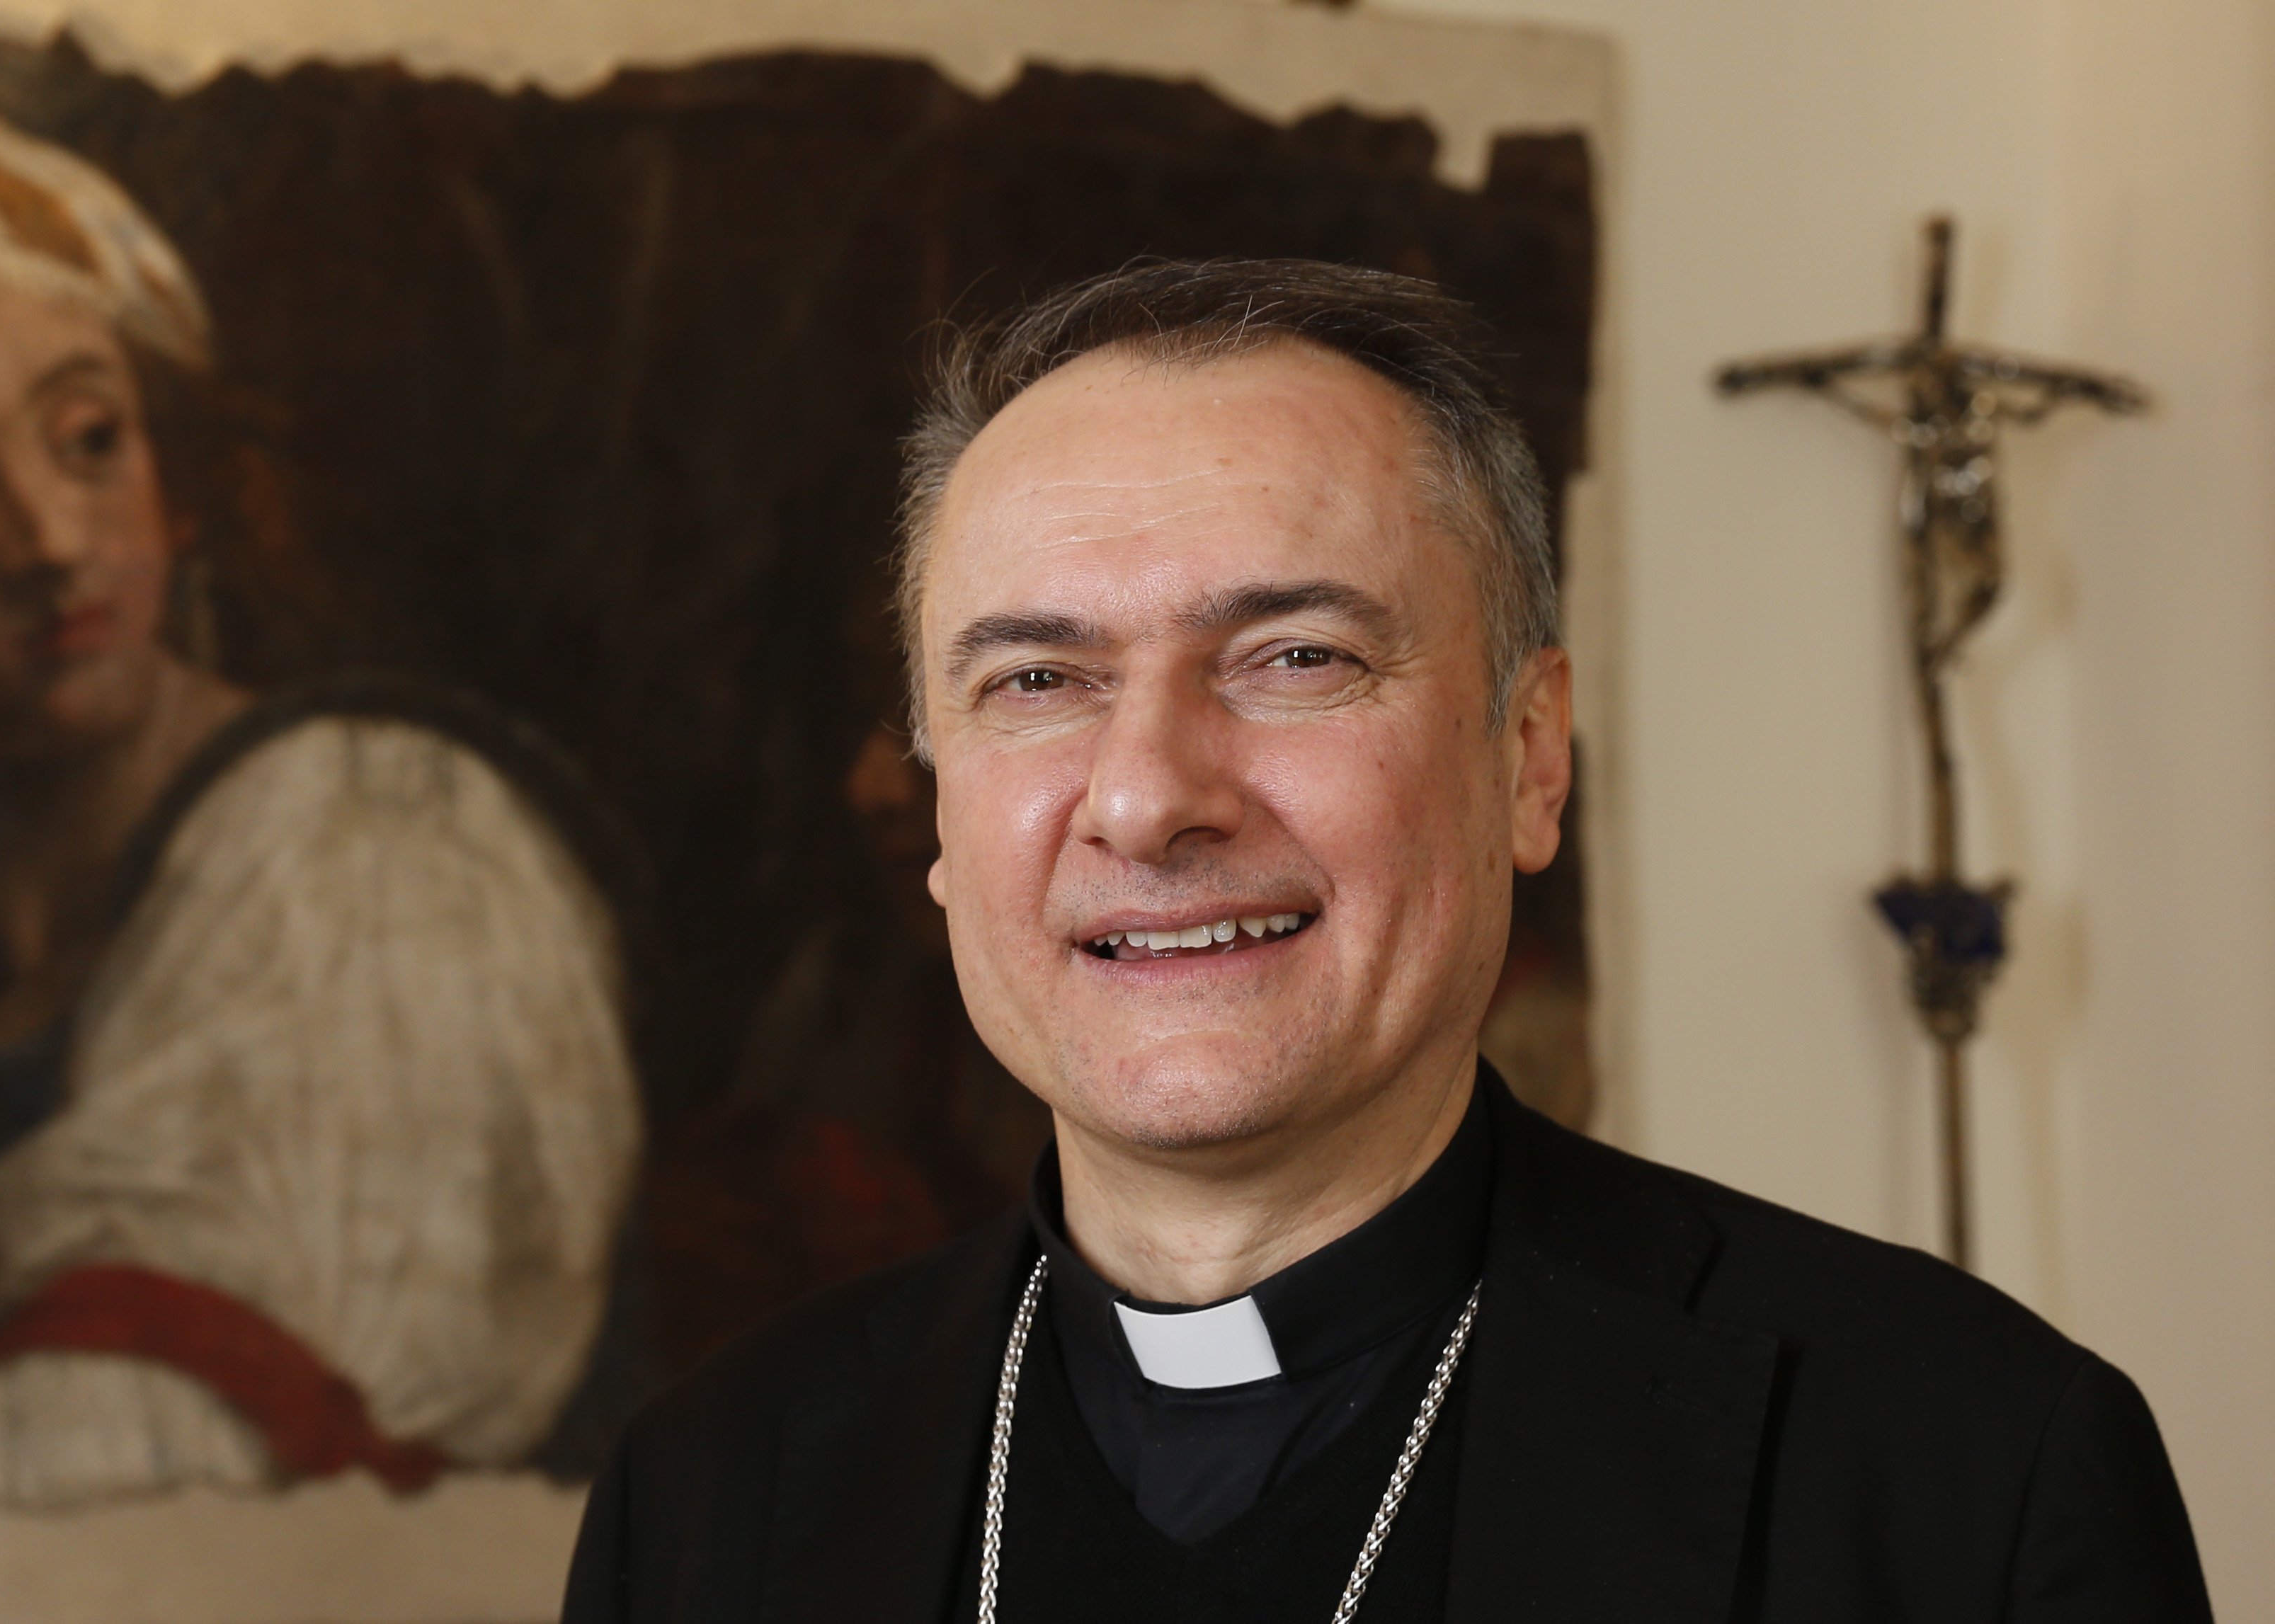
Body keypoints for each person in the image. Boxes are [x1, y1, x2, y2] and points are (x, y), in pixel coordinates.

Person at [560, 259, 2210, 1622]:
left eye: (1293, 656)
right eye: (1036, 682)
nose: (1144, 800)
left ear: (1529, 758)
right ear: (936, 816)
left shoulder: (1960, 1473)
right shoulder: (711, 1494)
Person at [0, 87, 642, 1507]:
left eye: (88, 438)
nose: (52, 543)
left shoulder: (373, 841)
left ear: (177, 476)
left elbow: (163, 1459)